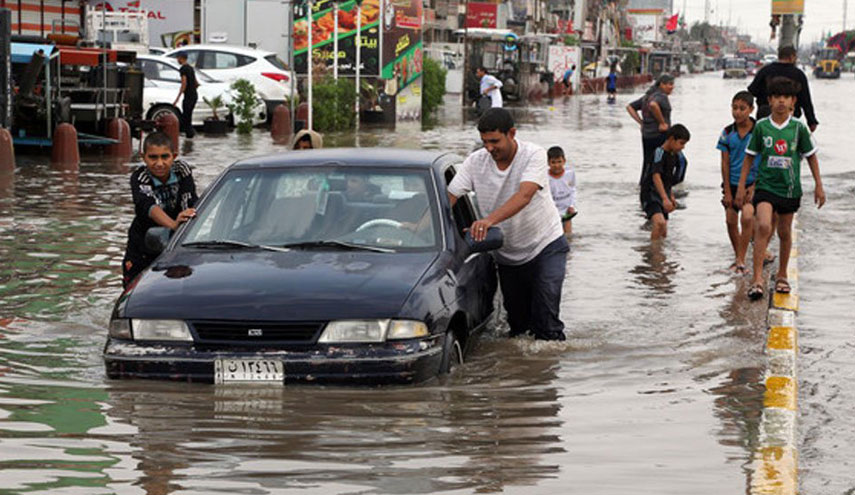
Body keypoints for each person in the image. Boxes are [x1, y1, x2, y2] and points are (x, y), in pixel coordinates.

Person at [447, 108, 568, 341]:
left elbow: (524, 195)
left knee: (546, 321)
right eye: (484, 142)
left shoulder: (534, 155)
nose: (489, 148)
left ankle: (550, 371)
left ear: (512, 133)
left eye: (494, 141)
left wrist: (488, 221)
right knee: (518, 329)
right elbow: (448, 198)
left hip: (545, 247)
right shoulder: (475, 162)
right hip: (507, 257)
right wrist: (414, 226)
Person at [735, 77, 825, 301]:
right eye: (776, 97)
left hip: (790, 189)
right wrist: (740, 186)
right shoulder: (762, 127)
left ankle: (782, 274)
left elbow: (811, 157)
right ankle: (757, 279)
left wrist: (818, 185)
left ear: (793, 101)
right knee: (763, 225)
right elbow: (749, 158)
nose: (781, 102)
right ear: (770, 100)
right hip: (765, 186)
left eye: (785, 98)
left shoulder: (798, 128)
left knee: (784, 232)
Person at [122, 132, 198, 288]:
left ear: (174, 155)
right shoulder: (140, 177)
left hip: (177, 240)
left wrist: (183, 227)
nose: (159, 163)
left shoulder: (182, 170)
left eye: (165, 157)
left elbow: (188, 201)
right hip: (142, 243)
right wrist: (173, 225)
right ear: (143, 157)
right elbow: (148, 206)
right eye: (153, 157)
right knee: (135, 289)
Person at [717, 91, 757, 273]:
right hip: (731, 184)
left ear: (751, 109)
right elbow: (724, 162)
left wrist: (754, 186)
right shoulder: (727, 133)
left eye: (742, 108)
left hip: (752, 184)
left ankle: (742, 258)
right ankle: (739, 257)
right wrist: (727, 190)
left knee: (747, 217)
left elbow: (764, 161)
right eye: (734, 108)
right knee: (730, 220)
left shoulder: (759, 131)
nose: (738, 112)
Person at [748, 45, 818, 132]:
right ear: (792, 57)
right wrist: (811, 121)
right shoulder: (798, 75)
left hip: (765, 117)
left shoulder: (765, 71)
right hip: (790, 120)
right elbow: (806, 100)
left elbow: (752, 91)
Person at [639, 124, 690, 241]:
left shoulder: (674, 155)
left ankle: (657, 253)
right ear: (671, 139)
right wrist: (664, 198)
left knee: (663, 231)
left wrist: (670, 196)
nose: (683, 147)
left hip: (663, 193)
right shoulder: (659, 153)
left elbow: (667, 180)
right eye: (681, 143)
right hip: (650, 193)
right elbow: (656, 176)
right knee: (659, 223)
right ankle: (653, 254)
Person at [627, 74, 675, 184]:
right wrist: (662, 123)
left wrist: (641, 123)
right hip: (660, 135)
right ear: (661, 84)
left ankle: (644, 185)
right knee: (663, 162)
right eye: (670, 84)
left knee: (648, 162)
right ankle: (662, 187)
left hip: (647, 135)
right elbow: (653, 105)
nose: (672, 87)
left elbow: (630, 107)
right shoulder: (660, 96)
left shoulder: (647, 97)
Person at [547, 146, 577, 235]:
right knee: (554, 235)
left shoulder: (570, 173)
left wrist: (572, 205)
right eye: (553, 162)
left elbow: (573, 189)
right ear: (548, 163)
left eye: (559, 162)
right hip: (552, 210)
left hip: (566, 209)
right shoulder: (545, 176)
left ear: (564, 161)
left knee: (568, 235)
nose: (557, 165)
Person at [173, 52, 199, 138]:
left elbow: (184, 83)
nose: (177, 60)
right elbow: (196, 83)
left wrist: (177, 98)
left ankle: (190, 134)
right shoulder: (191, 68)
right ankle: (190, 134)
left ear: (181, 58)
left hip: (188, 96)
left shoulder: (183, 69)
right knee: (189, 115)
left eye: (178, 58)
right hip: (194, 95)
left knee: (186, 116)